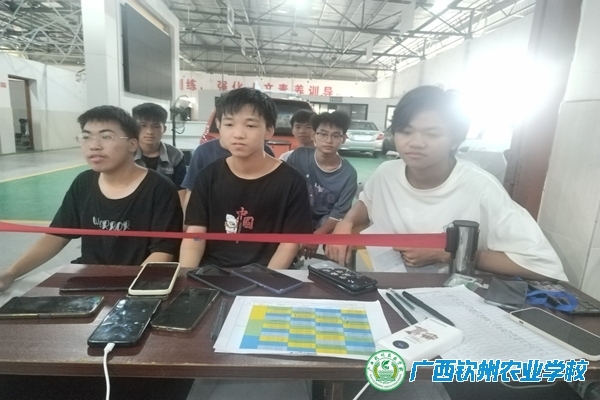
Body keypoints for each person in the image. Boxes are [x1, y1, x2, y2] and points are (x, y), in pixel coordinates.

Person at [326, 86, 567, 281]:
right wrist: (346, 223)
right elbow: (367, 202)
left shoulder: (480, 188)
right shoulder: (387, 173)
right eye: (406, 131)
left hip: (454, 297)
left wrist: (449, 253)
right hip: (390, 287)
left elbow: (542, 265)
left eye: (432, 134)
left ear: (455, 140)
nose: (416, 143)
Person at [0, 106, 183, 292]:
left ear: (132, 145)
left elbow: (163, 252)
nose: (94, 145)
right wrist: (11, 273)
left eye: (106, 136)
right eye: (86, 137)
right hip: (89, 277)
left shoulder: (160, 188)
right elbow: (57, 235)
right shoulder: (84, 182)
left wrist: (127, 293)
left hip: (135, 283)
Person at [179, 88, 313, 269]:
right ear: (219, 125)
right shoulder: (207, 176)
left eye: (250, 126)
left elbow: (289, 243)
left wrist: (265, 281)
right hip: (213, 273)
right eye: (229, 124)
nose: (238, 134)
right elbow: (195, 233)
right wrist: (186, 276)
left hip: (268, 275)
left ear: (269, 130)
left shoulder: (292, 181)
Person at [286, 111, 357, 258]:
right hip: (298, 215)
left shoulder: (349, 174)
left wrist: (316, 237)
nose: (328, 140)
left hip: (325, 220)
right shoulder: (299, 156)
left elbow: (337, 215)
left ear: (343, 139)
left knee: (341, 241)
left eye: (335, 135)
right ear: (314, 136)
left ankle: (337, 269)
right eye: (323, 134)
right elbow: (285, 192)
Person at [132, 102, 187, 204]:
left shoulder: (176, 156)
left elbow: (181, 190)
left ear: (164, 129)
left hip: (166, 206)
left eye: (156, 126)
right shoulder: (126, 153)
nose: (149, 131)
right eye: (143, 125)